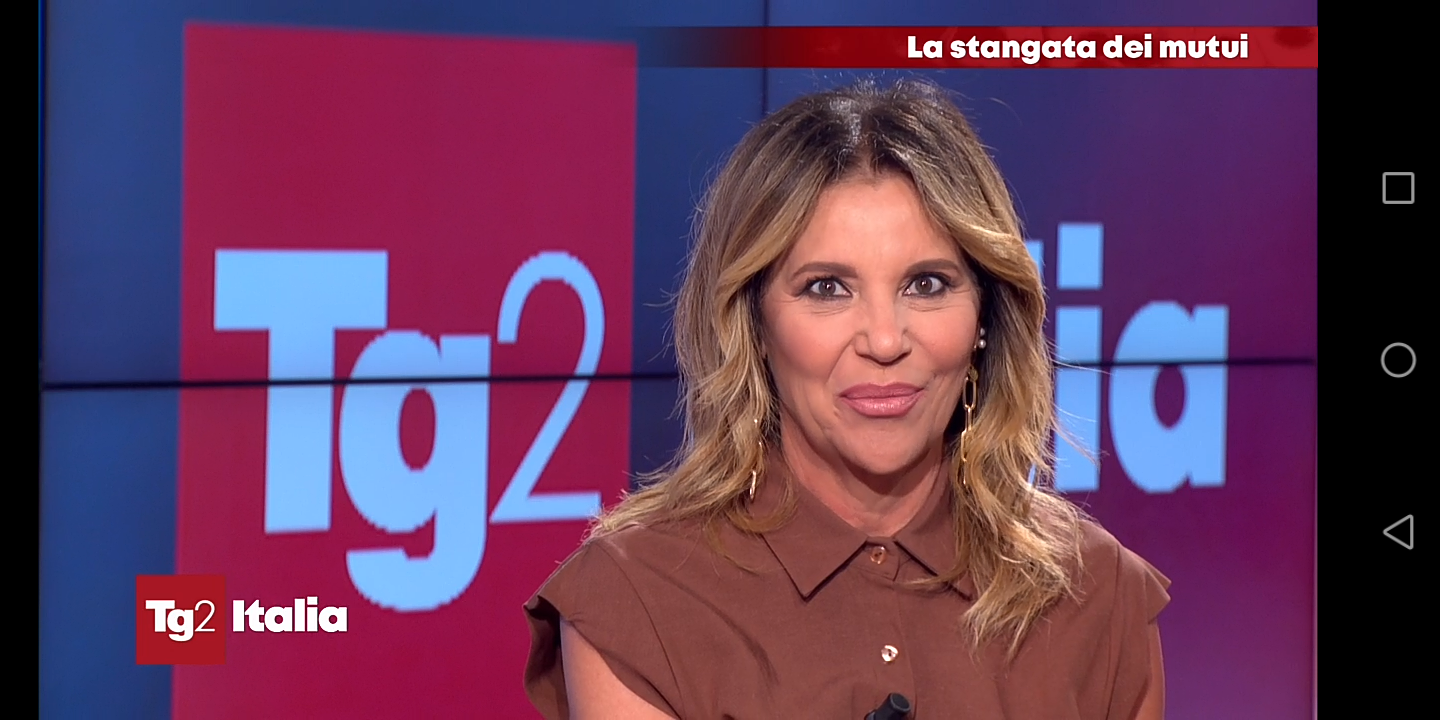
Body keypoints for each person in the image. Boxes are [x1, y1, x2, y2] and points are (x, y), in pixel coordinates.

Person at [523, 78, 1169, 719]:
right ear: (754, 324)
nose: (885, 340)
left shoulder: (1098, 594)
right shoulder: (639, 599)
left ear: (984, 318)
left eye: (926, 284)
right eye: (827, 288)